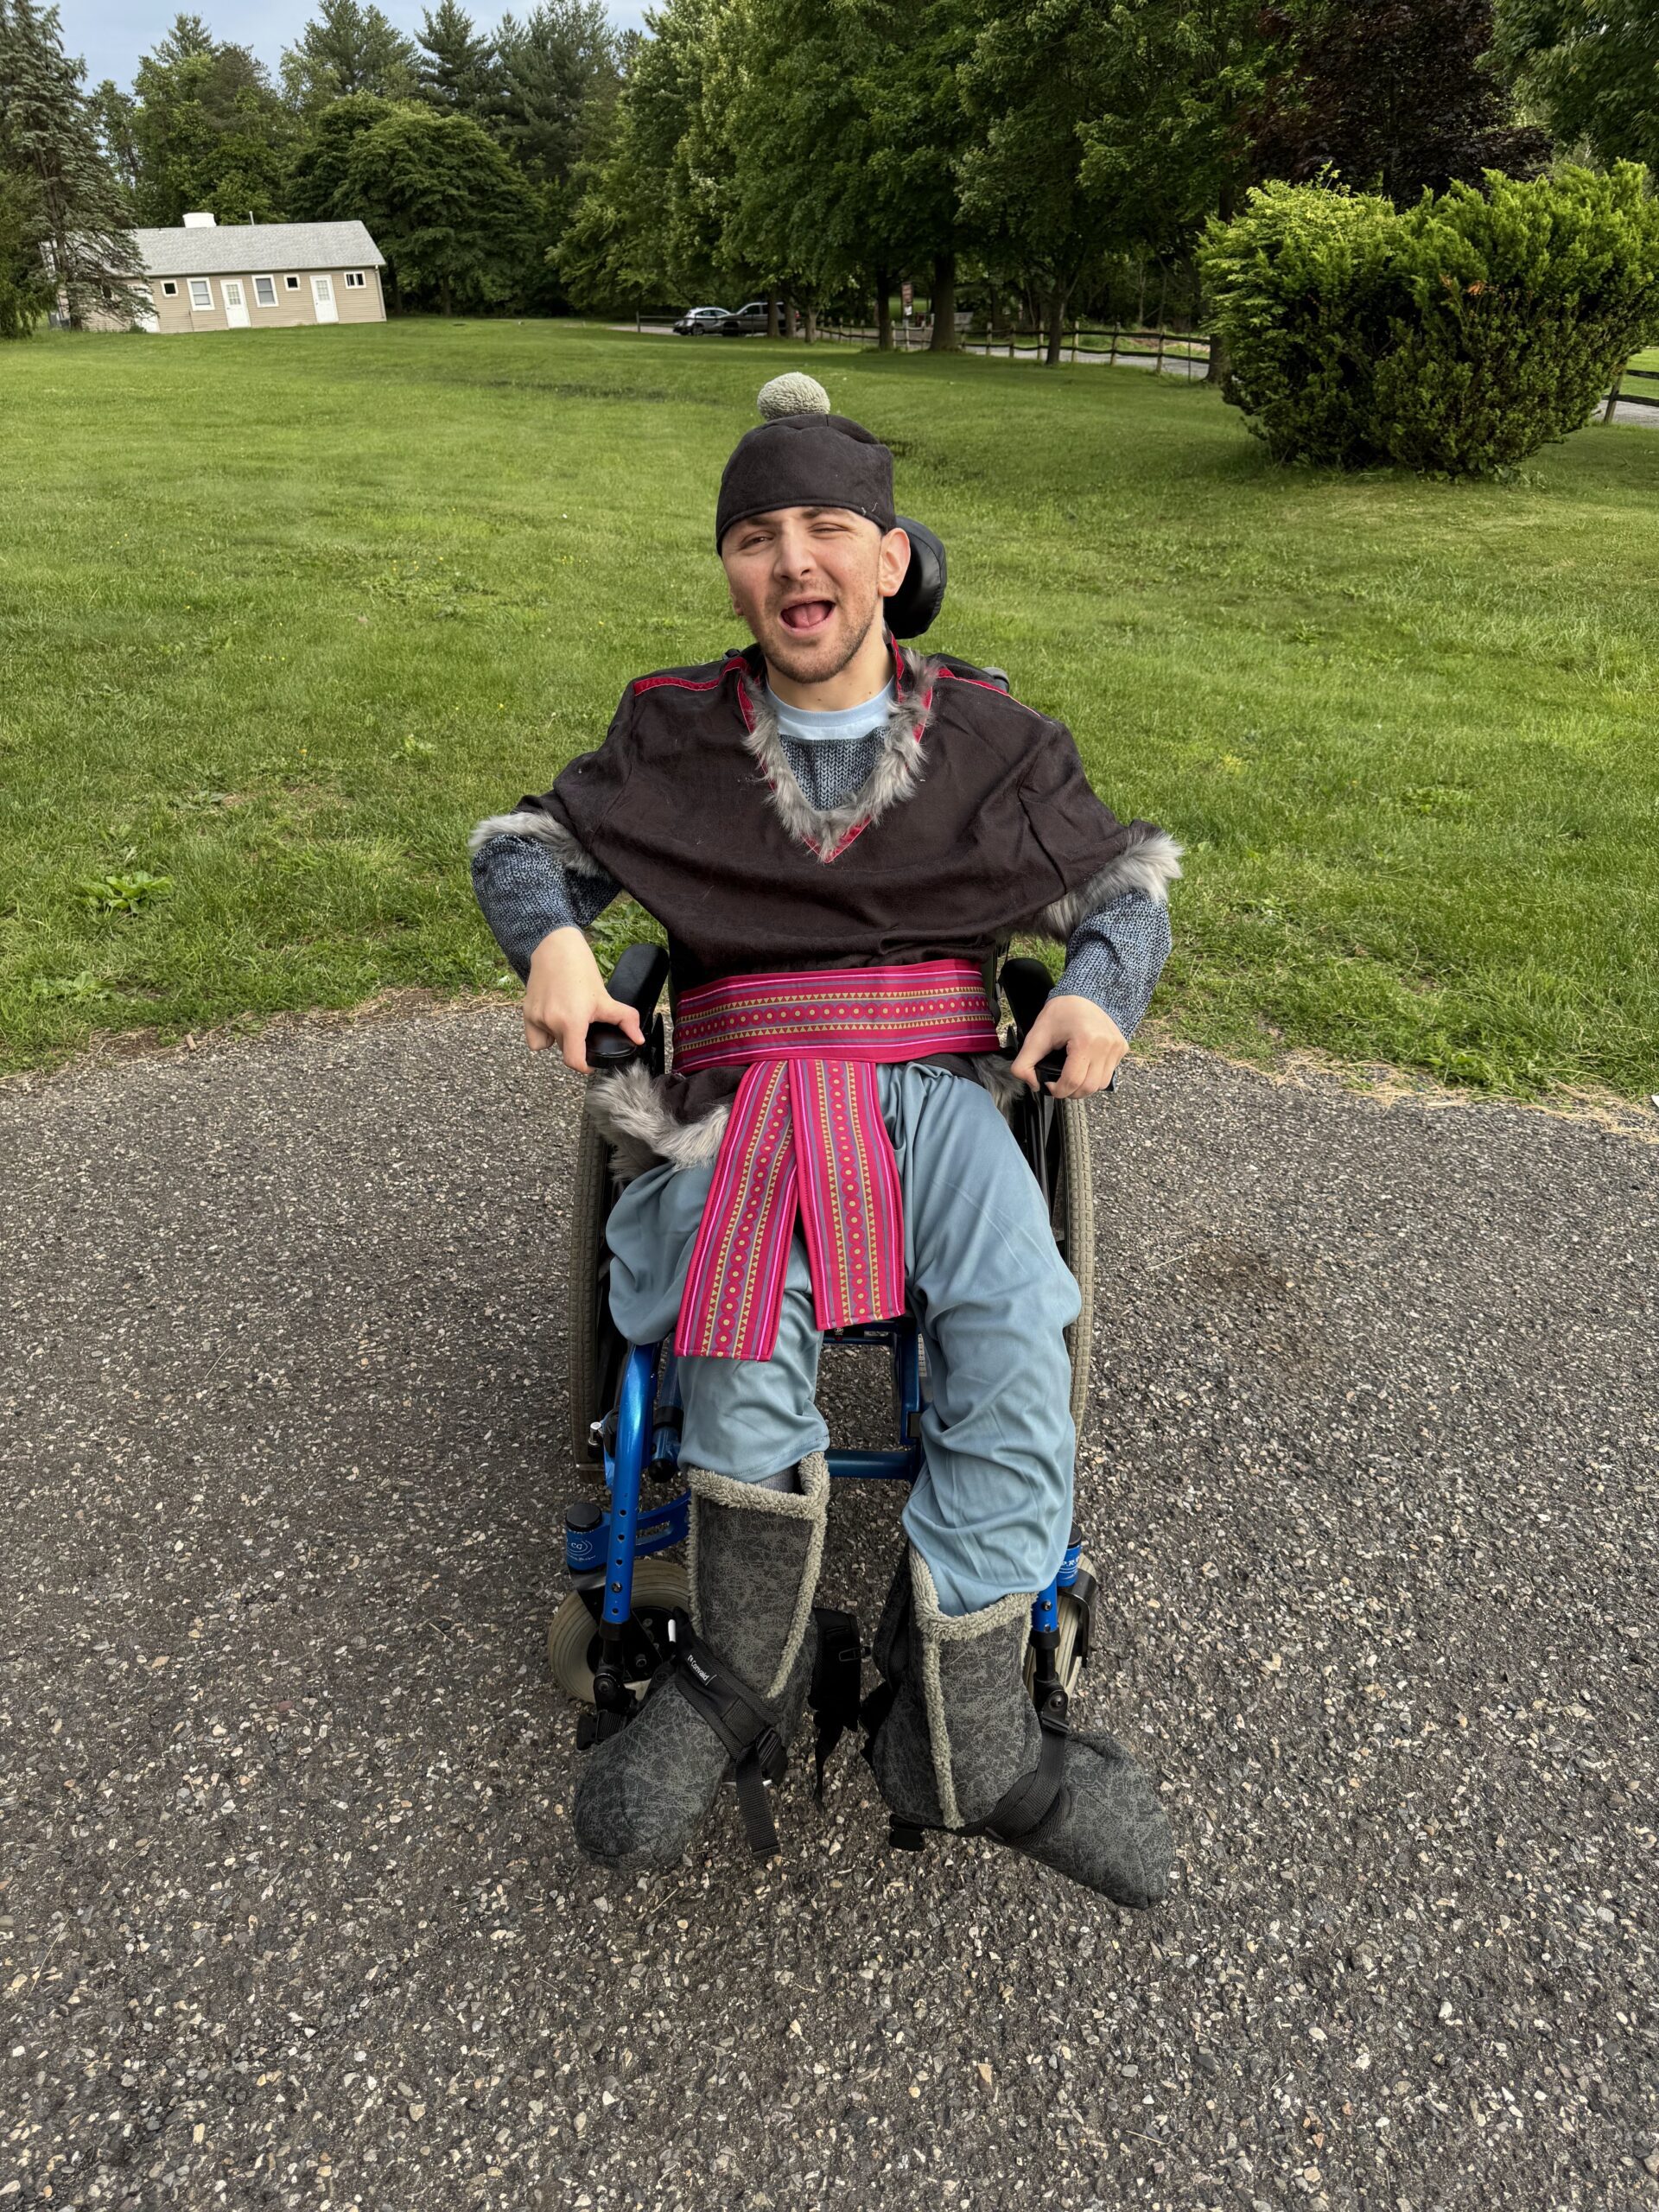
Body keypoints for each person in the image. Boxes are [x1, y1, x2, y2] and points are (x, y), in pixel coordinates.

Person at [471, 373, 1179, 1904]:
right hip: (742, 1095)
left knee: (1014, 1318)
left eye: (827, 529)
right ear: (732, 571)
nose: (794, 561)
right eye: (756, 537)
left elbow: (1125, 888)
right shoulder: (675, 732)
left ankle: (969, 1729)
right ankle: (742, 1674)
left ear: (889, 555)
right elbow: (523, 850)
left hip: (938, 1089)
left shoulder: (988, 735)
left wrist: (1100, 990)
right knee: (735, 1330)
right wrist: (559, 948)